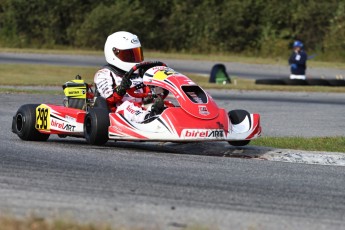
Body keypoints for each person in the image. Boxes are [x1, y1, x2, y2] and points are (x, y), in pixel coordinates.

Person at [94, 31, 164, 123]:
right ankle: (148, 119)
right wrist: (121, 89)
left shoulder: (139, 74)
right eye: (128, 55)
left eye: (135, 54)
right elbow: (108, 99)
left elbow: (148, 94)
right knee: (127, 106)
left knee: (166, 105)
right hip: (117, 113)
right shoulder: (104, 74)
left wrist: (157, 90)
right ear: (114, 53)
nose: (134, 59)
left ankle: (169, 120)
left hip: (141, 108)